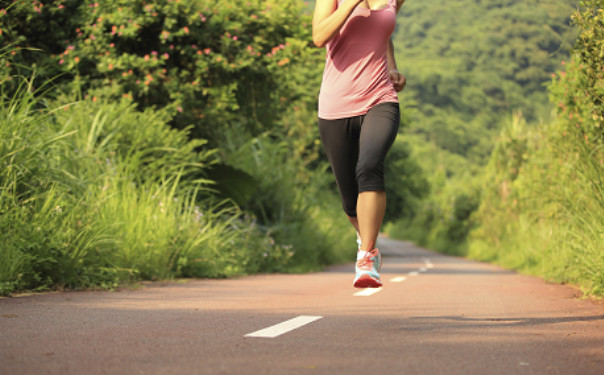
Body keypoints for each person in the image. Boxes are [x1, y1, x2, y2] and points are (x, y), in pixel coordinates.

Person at [312, 0, 406, 288]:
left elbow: (383, 32)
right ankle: (367, 241)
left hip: (380, 98)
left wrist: (391, 66)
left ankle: (366, 257)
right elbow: (319, 36)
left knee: (369, 166)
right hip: (335, 106)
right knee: (350, 202)